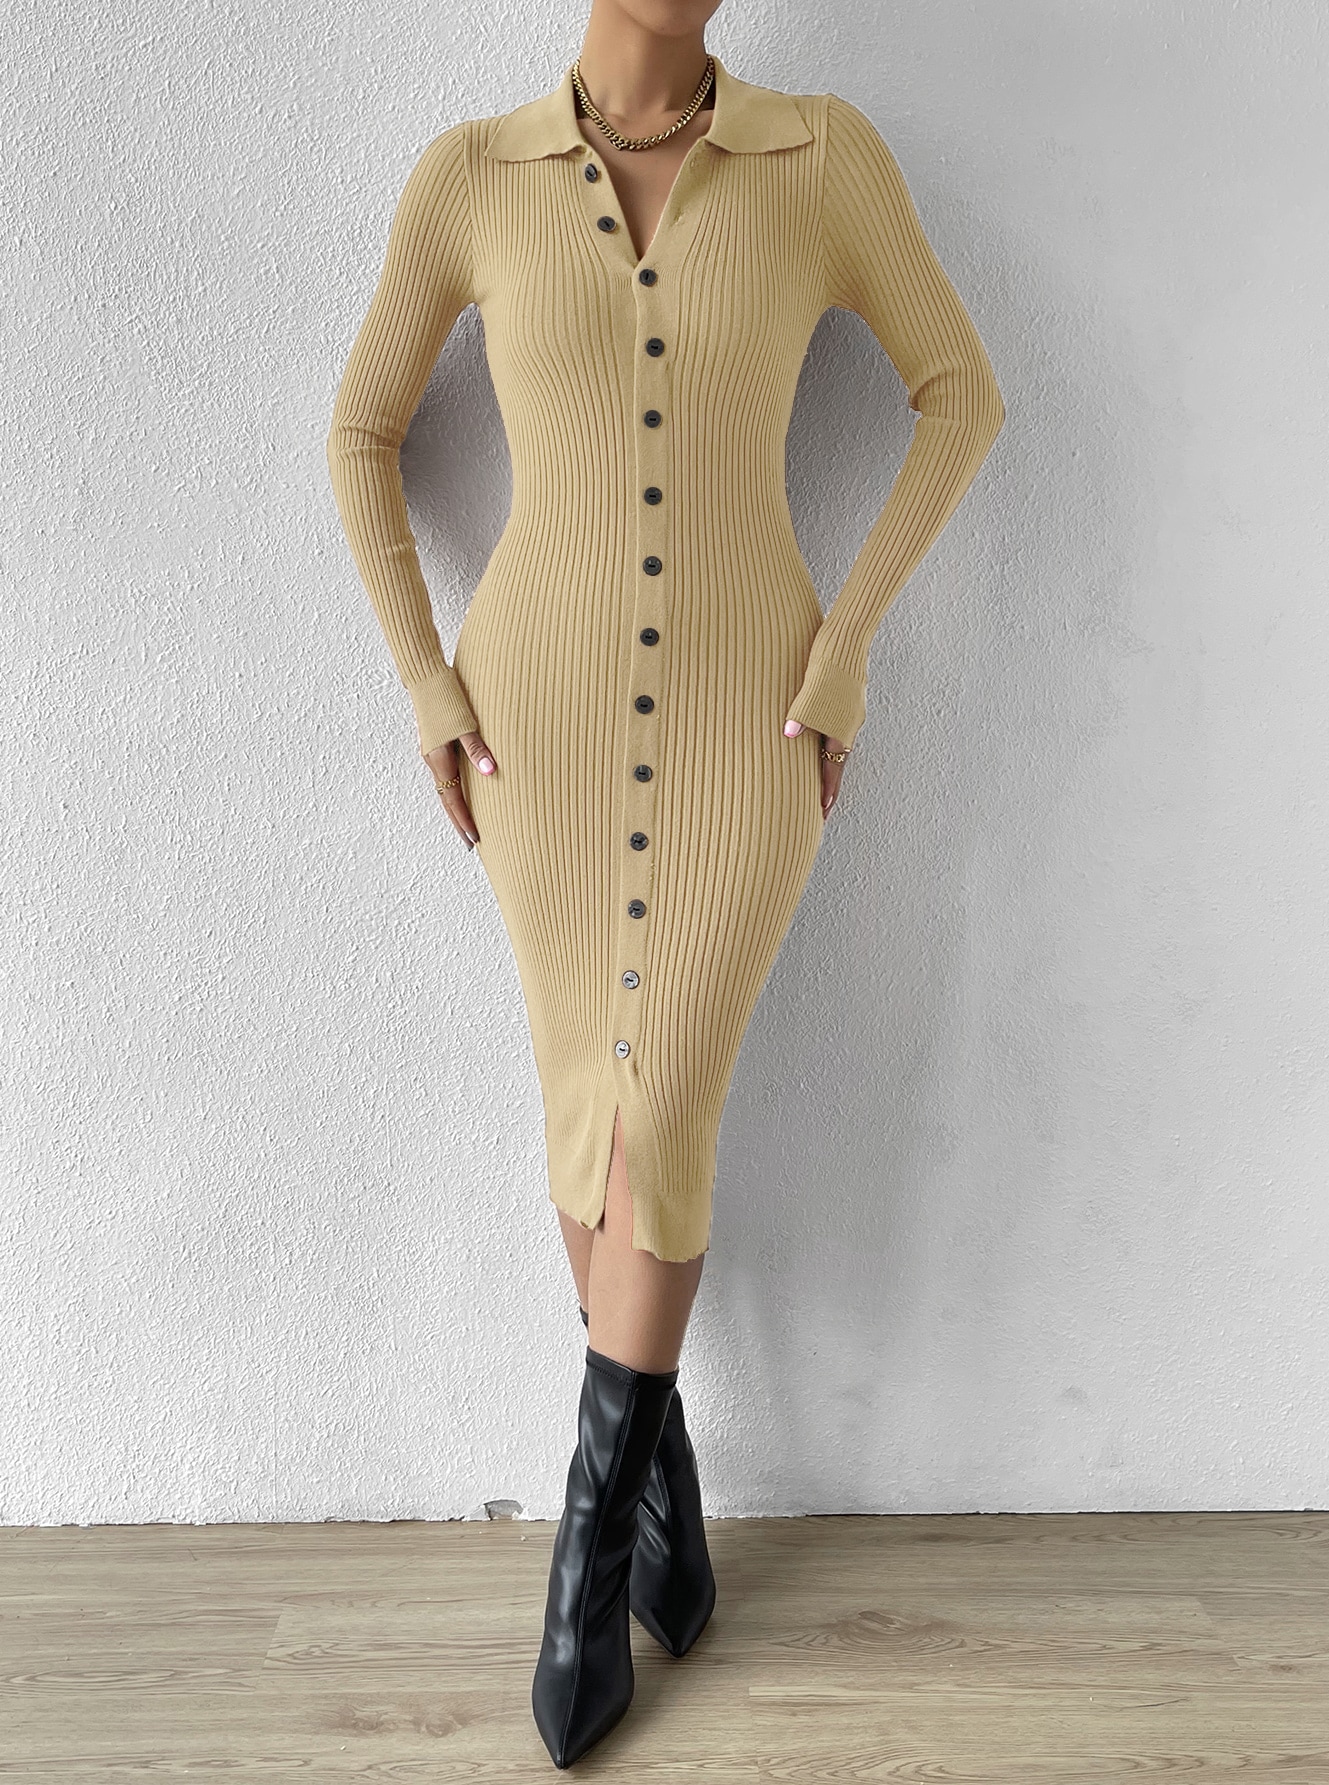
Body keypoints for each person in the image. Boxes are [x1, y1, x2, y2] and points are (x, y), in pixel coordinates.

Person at [326, 0, 1004, 1766]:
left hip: (748, 723)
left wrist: (846, 647)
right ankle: (664, 1503)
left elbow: (961, 395)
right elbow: (360, 430)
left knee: (667, 1090)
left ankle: (585, 1558)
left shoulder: (821, 158)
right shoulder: (470, 177)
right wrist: (426, 678)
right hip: (534, 733)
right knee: (588, 1093)